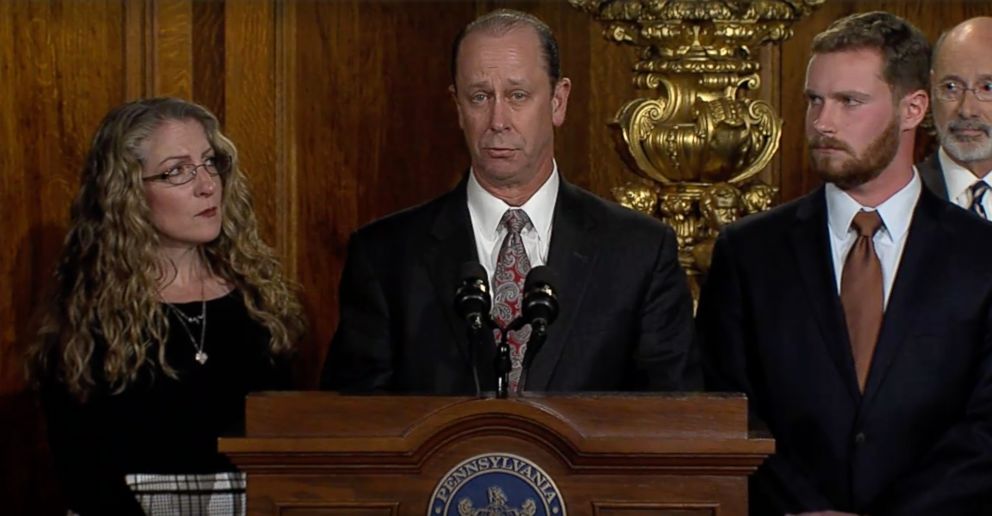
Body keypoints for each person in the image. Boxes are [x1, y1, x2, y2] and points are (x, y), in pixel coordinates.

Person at [697, 11, 992, 515]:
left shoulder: (980, 255)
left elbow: (986, 426)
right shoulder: (749, 254)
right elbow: (725, 412)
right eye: (815, 100)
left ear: (912, 108)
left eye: (848, 102)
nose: (823, 123)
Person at [321, 9, 696, 394]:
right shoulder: (384, 256)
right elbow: (353, 426)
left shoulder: (639, 252)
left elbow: (675, 423)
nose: (498, 120)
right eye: (480, 97)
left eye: (518, 95)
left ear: (557, 101)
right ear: (457, 107)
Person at [27, 97, 306, 515]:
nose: (207, 184)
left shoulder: (261, 301)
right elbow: (84, 475)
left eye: (210, 162)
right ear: (128, 194)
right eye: (177, 171)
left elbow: (291, 450)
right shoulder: (88, 319)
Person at [918, 17, 992, 220]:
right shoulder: (898, 198)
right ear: (931, 89)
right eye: (951, 87)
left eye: (987, 87)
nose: (967, 110)